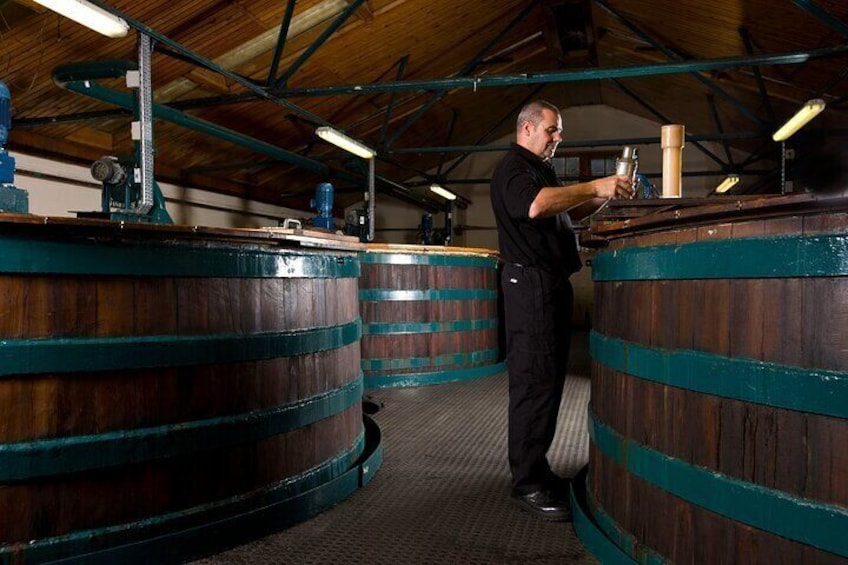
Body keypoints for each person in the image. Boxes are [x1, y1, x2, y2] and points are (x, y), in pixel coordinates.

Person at [490, 100, 633, 521]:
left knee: (547, 382)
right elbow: (536, 205)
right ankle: (527, 483)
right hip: (529, 285)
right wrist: (595, 186)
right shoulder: (514, 169)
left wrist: (604, 196)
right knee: (534, 384)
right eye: (552, 130)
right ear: (528, 128)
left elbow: (561, 212)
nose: (557, 138)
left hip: (547, 284)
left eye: (559, 131)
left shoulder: (538, 169)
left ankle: (537, 467)